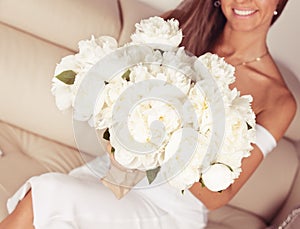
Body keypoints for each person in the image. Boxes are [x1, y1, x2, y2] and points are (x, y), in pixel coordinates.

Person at [0, 0, 296, 228]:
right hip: (115, 174)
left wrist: (172, 140)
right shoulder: (178, 31)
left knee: (46, 193)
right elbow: (113, 115)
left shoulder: (279, 100)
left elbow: (219, 195)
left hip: (171, 211)